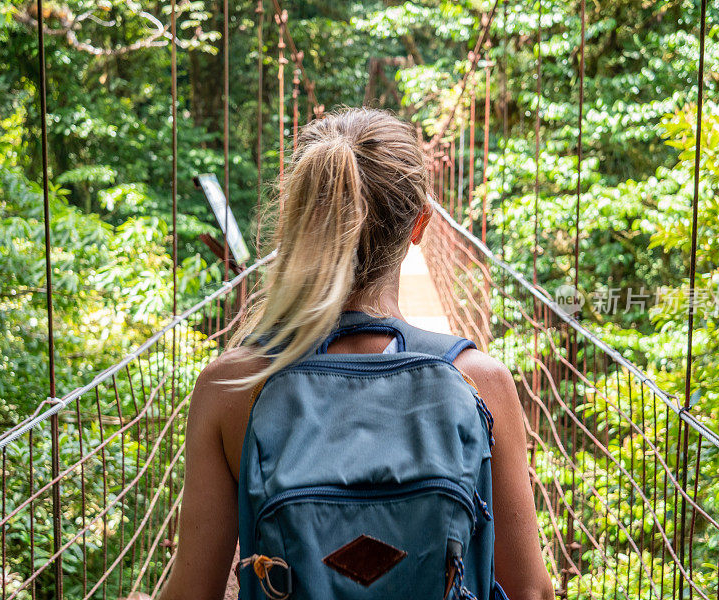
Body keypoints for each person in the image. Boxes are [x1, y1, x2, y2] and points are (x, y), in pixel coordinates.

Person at [160, 108, 554, 600]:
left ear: (297, 219)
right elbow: (530, 592)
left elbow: (193, 591)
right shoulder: (480, 382)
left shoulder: (232, 386)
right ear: (420, 226)